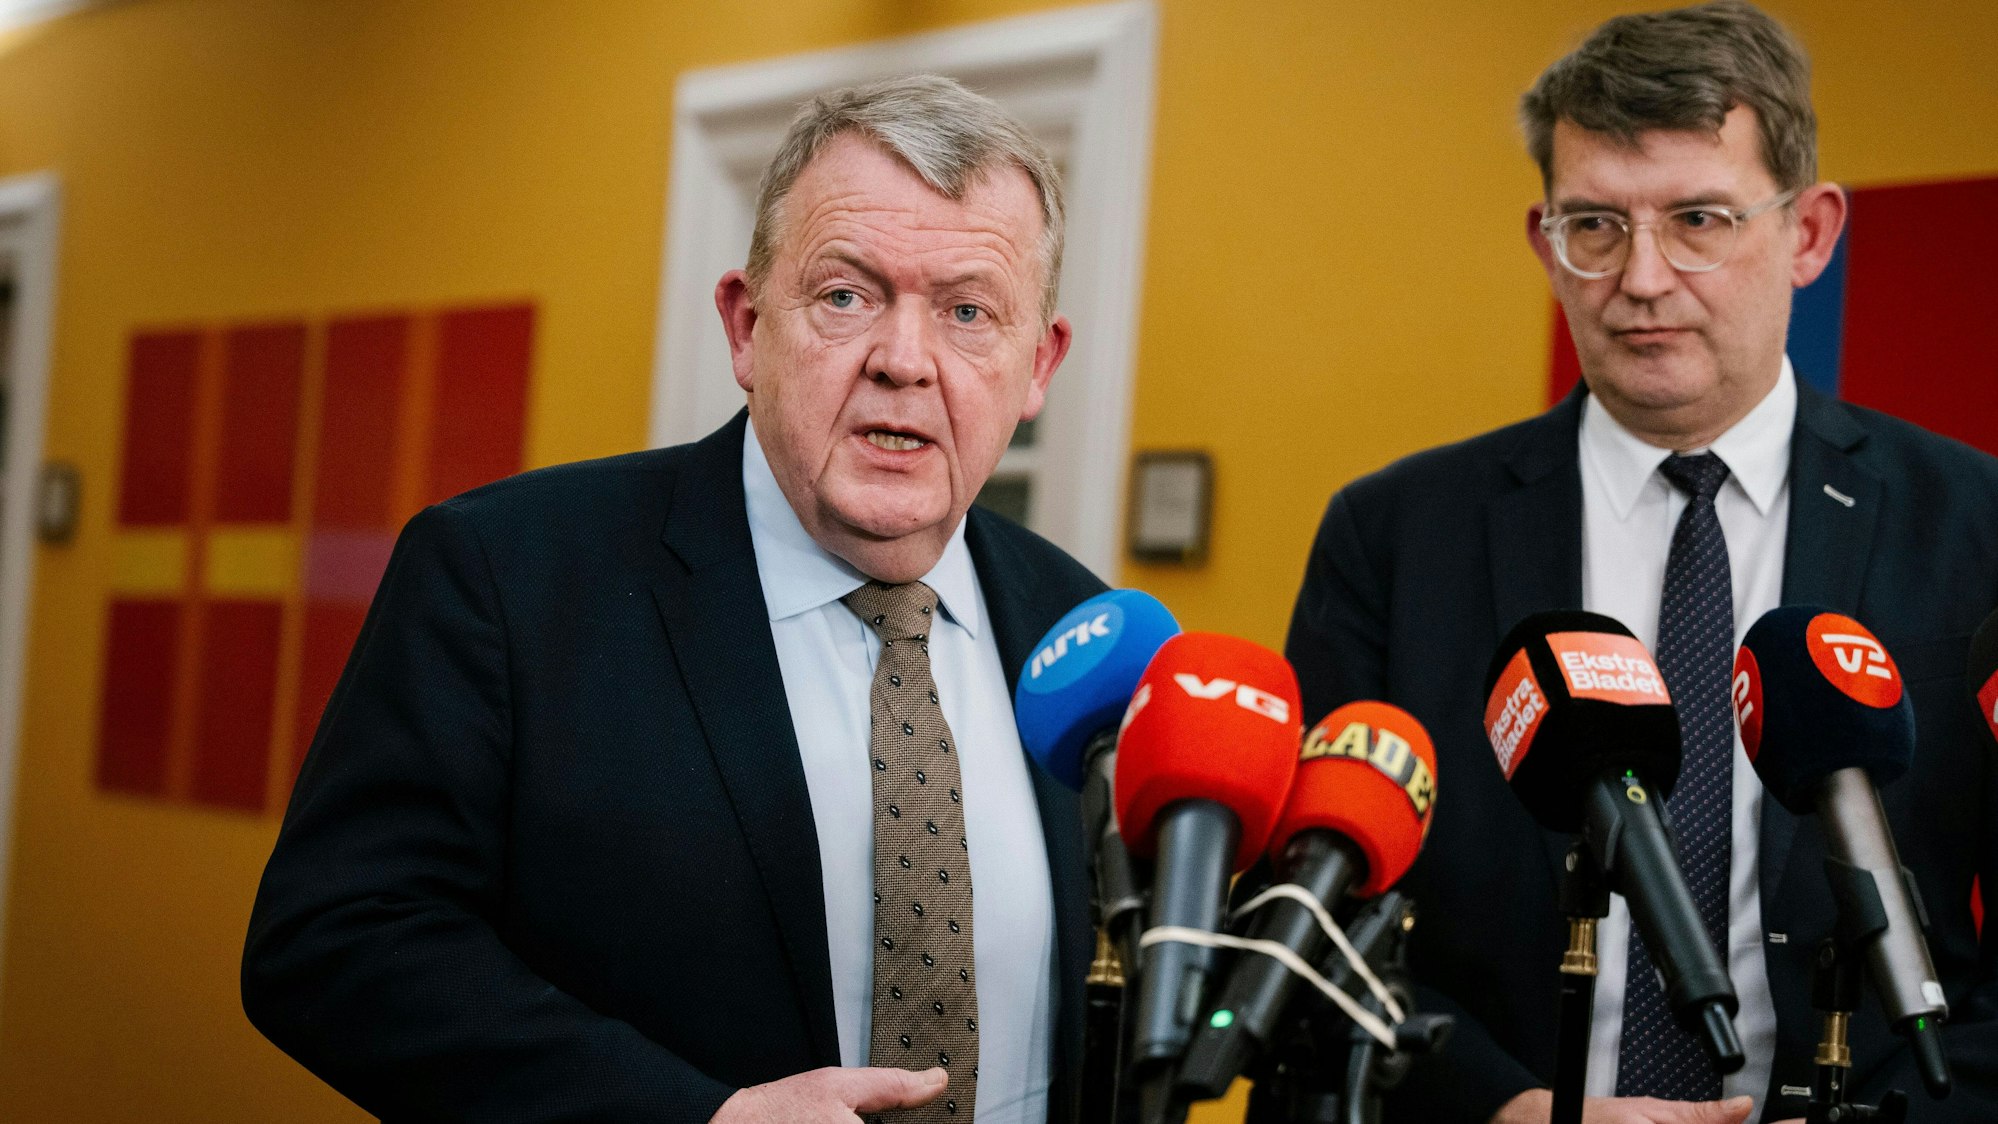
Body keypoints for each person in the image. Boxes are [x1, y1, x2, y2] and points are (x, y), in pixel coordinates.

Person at [243, 75, 1106, 1124]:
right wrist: (695, 1116)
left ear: (1038, 365)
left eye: (969, 312)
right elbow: (333, 940)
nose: (903, 361)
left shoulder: (1083, 633)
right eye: (846, 295)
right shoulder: (503, 576)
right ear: (746, 326)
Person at [1284, 4, 1998, 1123]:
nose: (1643, 277)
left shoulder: (1975, 527)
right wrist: (1506, 1108)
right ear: (1545, 242)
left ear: (1810, 234)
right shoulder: (1393, 536)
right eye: (1596, 225)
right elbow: (1310, 922)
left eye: (1698, 219)